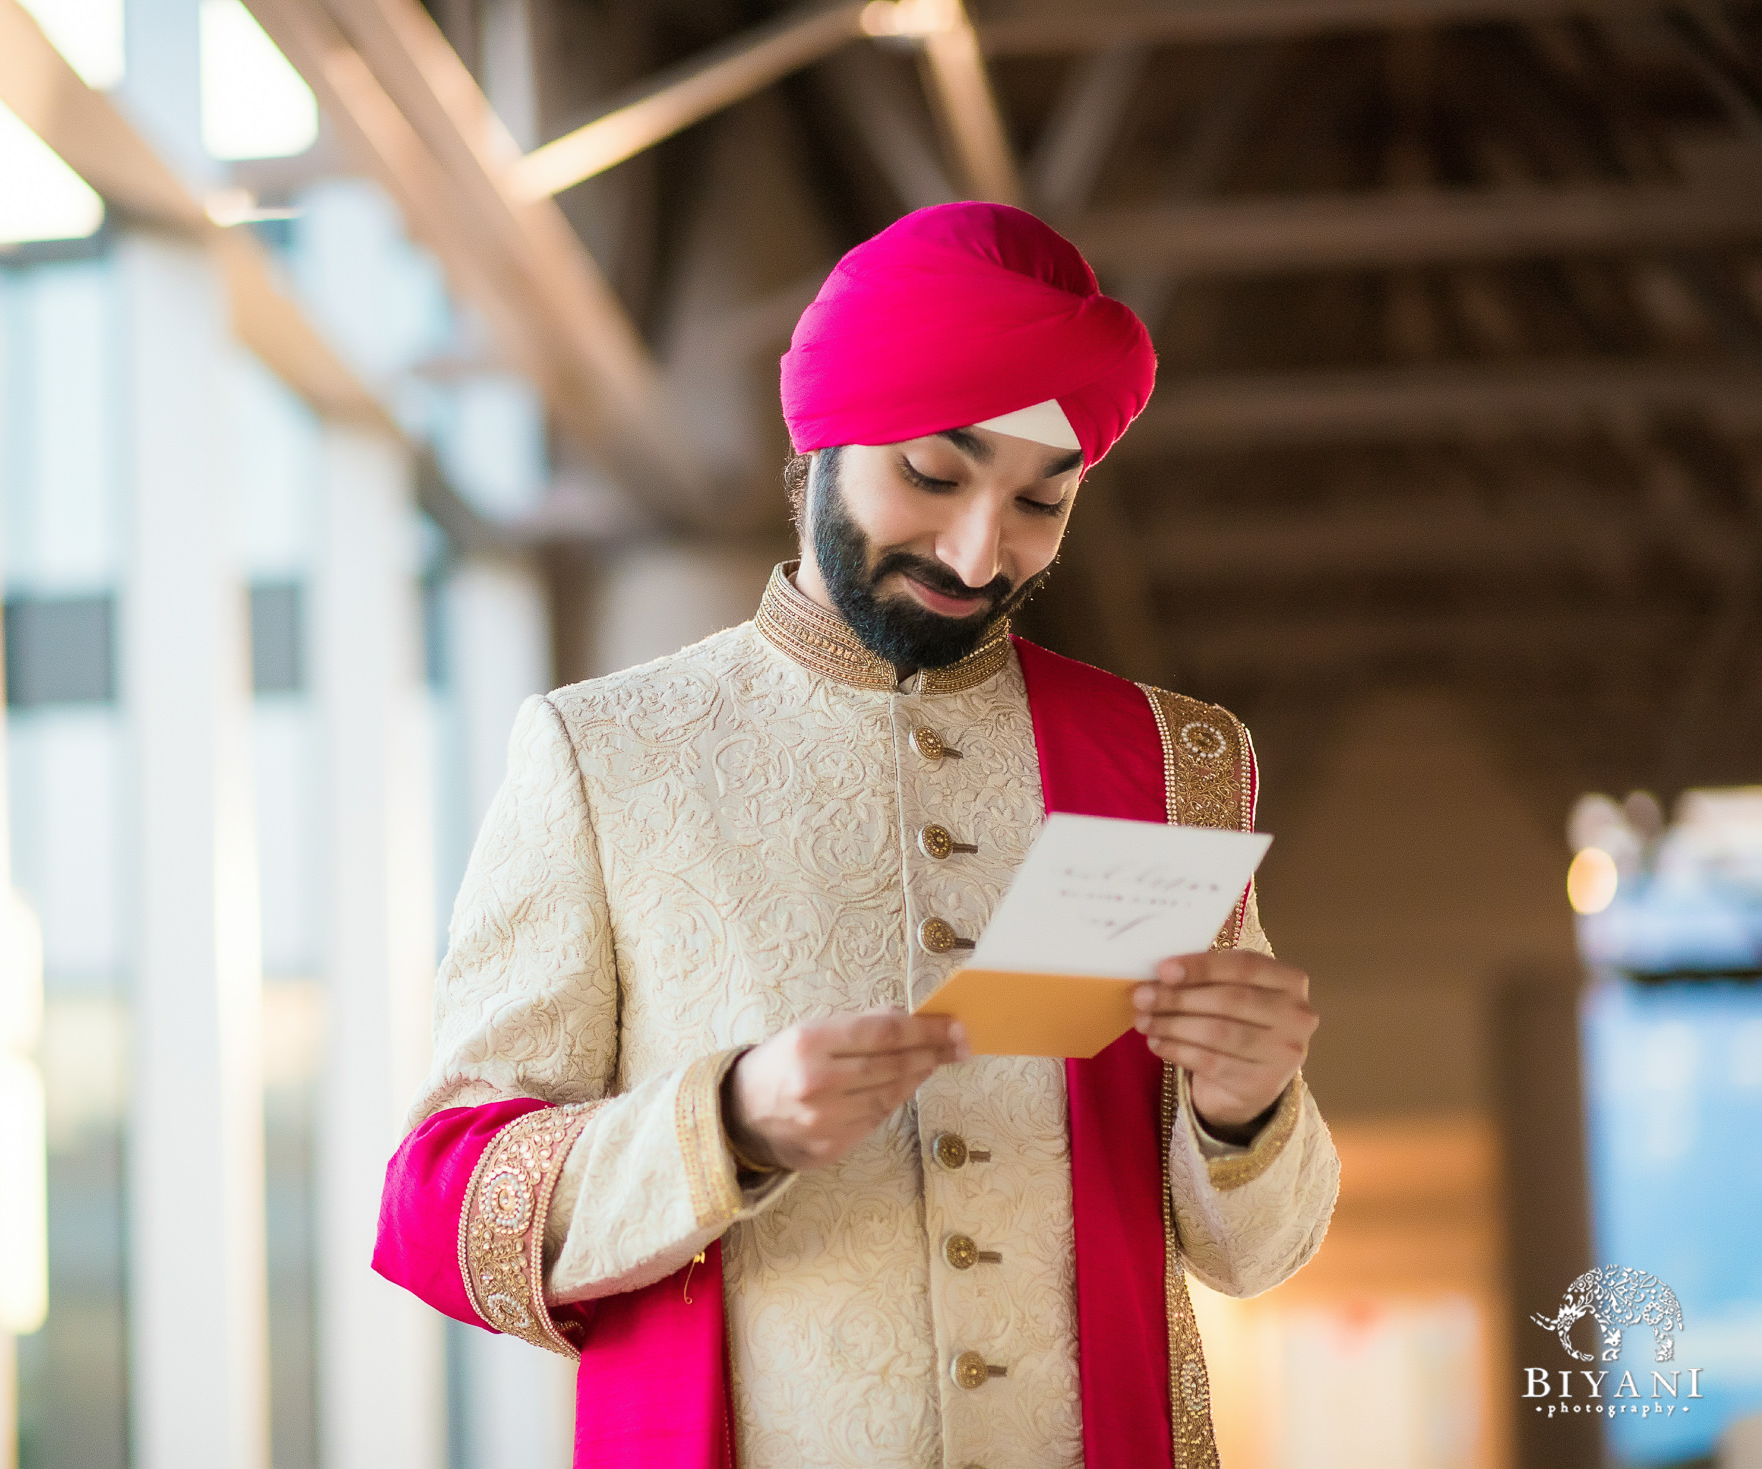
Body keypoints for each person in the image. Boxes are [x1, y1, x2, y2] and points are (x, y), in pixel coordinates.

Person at [375, 202, 1339, 1469]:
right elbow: (447, 1204)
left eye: (1040, 503)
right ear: (821, 439)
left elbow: (1252, 1250)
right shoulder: (601, 753)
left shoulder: (1168, 760)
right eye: (933, 476)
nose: (976, 549)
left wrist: (1247, 1104)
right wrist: (728, 1120)